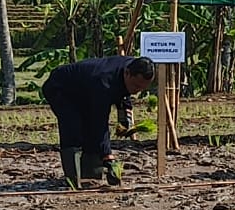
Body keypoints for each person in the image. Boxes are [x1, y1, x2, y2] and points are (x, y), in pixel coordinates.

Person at [42, 56, 156, 186]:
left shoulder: (131, 65)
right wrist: (108, 156)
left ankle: (90, 175)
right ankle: (73, 180)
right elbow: (100, 122)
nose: (137, 91)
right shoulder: (104, 82)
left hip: (85, 90)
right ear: (127, 73)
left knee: (91, 131)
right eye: (136, 86)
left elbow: (123, 93)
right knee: (73, 128)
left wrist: (125, 121)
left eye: (142, 88)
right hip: (61, 88)